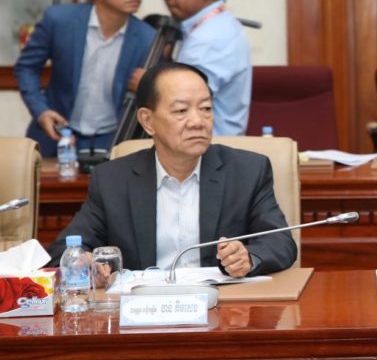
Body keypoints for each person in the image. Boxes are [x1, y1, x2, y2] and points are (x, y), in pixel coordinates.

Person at [47, 62, 297, 276]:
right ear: (147, 121)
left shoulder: (247, 171)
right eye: (181, 111)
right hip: (144, 310)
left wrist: (248, 257)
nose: (197, 122)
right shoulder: (113, 180)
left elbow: (280, 242)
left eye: (206, 109)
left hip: (222, 308)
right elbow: (64, 251)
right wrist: (86, 263)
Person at [14, 0, 155, 157]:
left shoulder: (147, 38)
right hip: (57, 134)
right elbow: (26, 67)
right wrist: (41, 110)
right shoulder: (59, 20)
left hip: (112, 141)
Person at [160, 0, 251, 136]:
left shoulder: (210, 39)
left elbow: (182, 103)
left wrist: (145, 83)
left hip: (208, 150)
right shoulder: (213, 26)